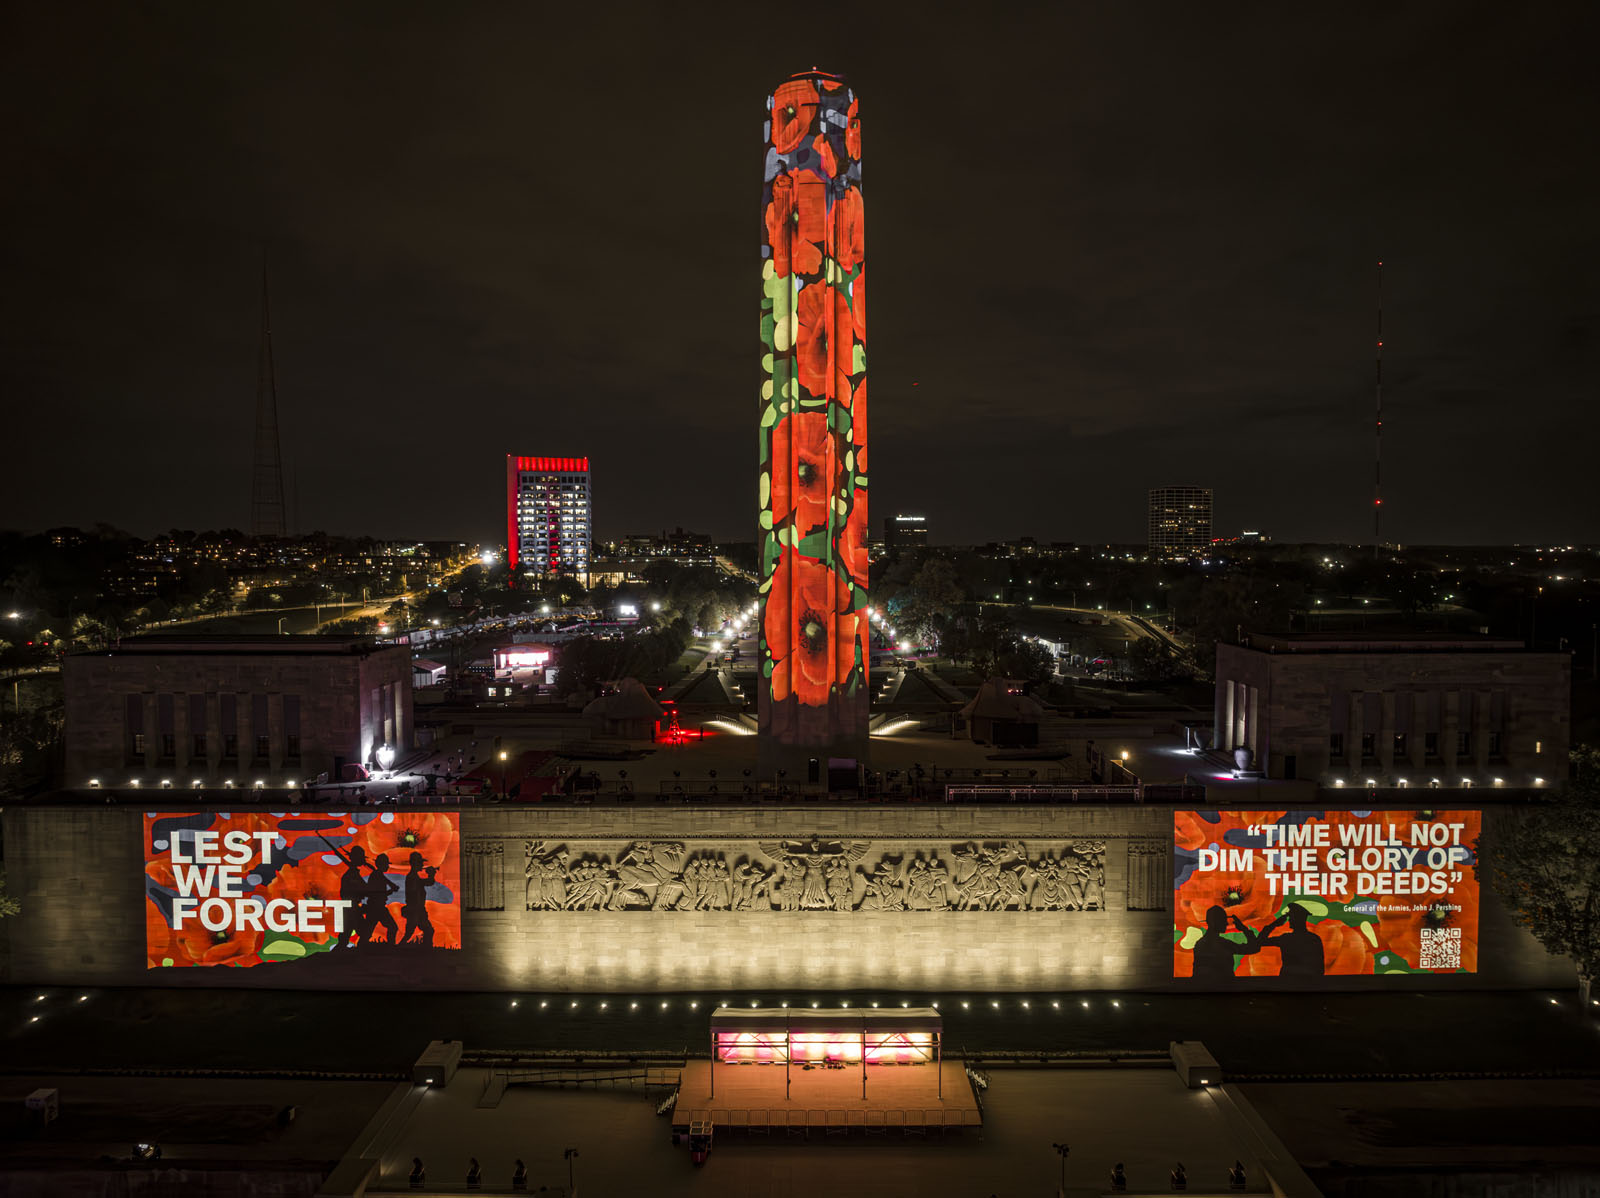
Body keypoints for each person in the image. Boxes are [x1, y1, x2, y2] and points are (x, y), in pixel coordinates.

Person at [1247, 902, 1326, 977]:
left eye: (1291, 917)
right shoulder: (1314, 939)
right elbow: (1320, 968)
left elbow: (1259, 941)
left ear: (1297, 919)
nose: (1289, 920)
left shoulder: (1286, 938)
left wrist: (1274, 924)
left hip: (1288, 982)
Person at [1189, 904, 1260, 981]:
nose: (1226, 923)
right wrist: (1244, 928)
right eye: (1223, 920)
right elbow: (1254, 948)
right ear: (1215, 922)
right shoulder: (1223, 944)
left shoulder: (1199, 944)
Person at [360, 852, 400, 945]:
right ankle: (390, 947)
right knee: (391, 927)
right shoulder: (376, 876)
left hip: (377, 907)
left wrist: (390, 890)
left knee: (368, 932)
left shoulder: (378, 875)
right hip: (376, 907)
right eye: (386, 864)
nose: (387, 866)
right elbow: (376, 893)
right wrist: (390, 891)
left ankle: (361, 948)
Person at [401, 851, 438, 946]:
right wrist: (431, 876)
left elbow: (427, 883)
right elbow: (414, 891)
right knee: (414, 932)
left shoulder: (414, 877)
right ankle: (425, 950)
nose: (422, 865)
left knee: (426, 931)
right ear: (415, 863)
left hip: (417, 910)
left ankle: (425, 949)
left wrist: (431, 876)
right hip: (416, 910)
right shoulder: (412, 877)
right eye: (420, 863)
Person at [336, 845, 370, 948]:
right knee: (349, 935)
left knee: (348, 935)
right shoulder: (350, 875)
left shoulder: (354, 874)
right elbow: (349, 892)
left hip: (352, 908)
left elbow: (364, 889)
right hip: (351, 909)